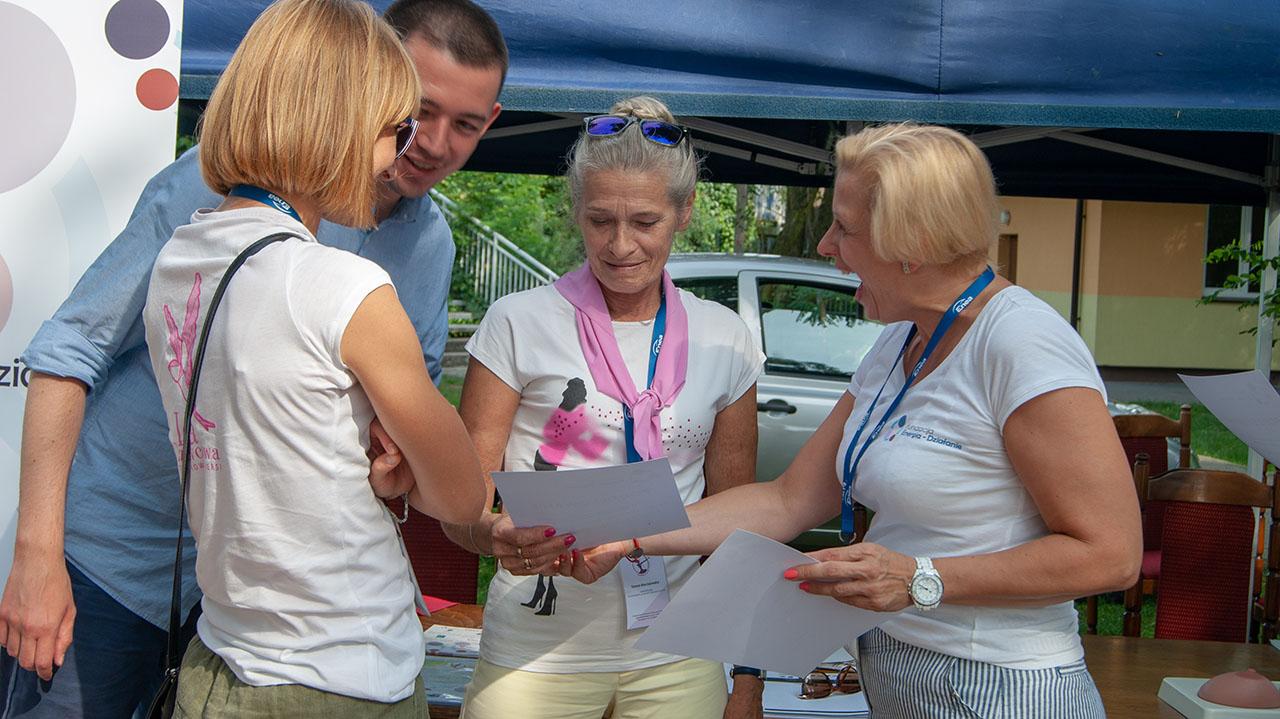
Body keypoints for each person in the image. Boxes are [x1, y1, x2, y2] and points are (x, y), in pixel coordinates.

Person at [0, 0, 505, 715]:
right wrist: (37, 554)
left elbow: (389, 445)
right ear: (355, 87)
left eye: (467, 124)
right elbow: (70, 345)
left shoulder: (430, 247)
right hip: (115, 559)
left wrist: (391, 465)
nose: (427, 141)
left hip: (246, 608)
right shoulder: (207, 195)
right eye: (411, 112)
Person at [561, 122, 1143, 717]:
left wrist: (922, 577)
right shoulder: (898, 343)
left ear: (910, 241)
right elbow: (787, 501)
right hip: (898, 668)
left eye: (844, 227)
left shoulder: (1023, 343)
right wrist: (626, 532)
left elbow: (1111, 555)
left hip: (1001, 685)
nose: (825, 246)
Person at [140, 0, 484, 715]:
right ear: (338, 119)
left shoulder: (181, 262)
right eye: (398, 127)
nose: (402, 155)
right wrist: (402, 470)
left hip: (225, 653)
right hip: (342, 671)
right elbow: (464, 495)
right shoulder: (342, 284)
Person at [443, 96, 766, 719]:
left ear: (685, 211)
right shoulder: (517, 322)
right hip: (535, 658)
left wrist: (746, 677)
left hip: (677, 656)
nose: (620, 245)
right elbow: (462, 507)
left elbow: (738, 528)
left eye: (645, 221)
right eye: (600, 221)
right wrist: (496, 534)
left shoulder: (724, 337)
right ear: (576, 211)